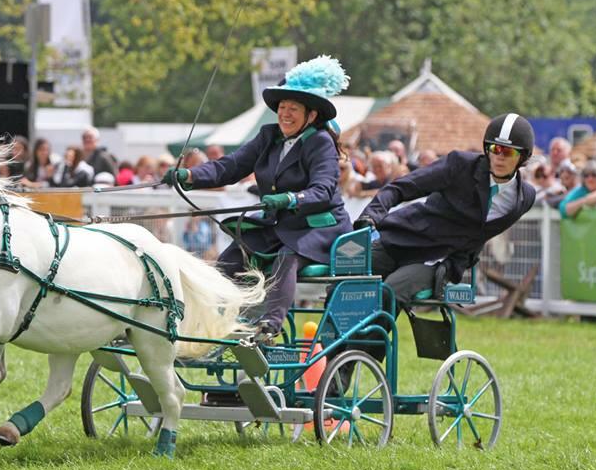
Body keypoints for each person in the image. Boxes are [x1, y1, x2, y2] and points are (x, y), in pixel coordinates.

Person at [164, 55, 353, 339]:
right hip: (279, 226)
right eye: (282, 107)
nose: (285, 114)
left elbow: (323, 190)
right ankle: (203, 318)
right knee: (232, 256)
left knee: (285, 258)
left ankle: (269, 325)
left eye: (293, 108)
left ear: (311, 115)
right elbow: (231, 166)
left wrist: (290, 199)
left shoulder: (320, 142)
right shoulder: (268, 136)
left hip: (317, 226)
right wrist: (190, 176)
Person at [346, 113, 538, 374]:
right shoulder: (460, 165)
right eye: (496, 148)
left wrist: (456, 263)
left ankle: (349, 365)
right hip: (402, 238)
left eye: (509, 152)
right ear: (487, 148)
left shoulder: (523, 198)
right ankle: (325, 351)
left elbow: (480, 235)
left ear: (523, 158)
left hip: (437, 261)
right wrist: (371, 216)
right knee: (345, 274)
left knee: (390, 291)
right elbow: (402, 187)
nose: (500, 156)